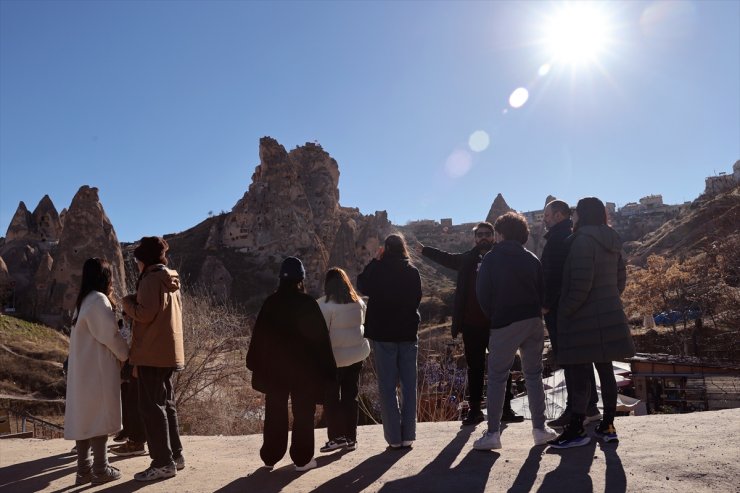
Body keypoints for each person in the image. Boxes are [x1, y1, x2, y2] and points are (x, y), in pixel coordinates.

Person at [547, 197, 636, 449]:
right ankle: (607, 425)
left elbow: (580, 284)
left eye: (575, 213)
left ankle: (576, 429)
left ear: (582, 215)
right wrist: (606, 299)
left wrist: (565, 310)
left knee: (578, 372)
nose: (572, 217)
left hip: (583, 318)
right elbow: (620, 280)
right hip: (609, 314)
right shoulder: (613, 241)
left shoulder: (582, 241)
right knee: (606, 371)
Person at [418, 222, 523, 426]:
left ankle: (505, 409)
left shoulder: (502, 257)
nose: (483, 237)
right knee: (474, 367)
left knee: (502, 367)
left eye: (487, 234)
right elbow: (446, 258)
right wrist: (425, 250)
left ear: (494, 236)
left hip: (498, 323)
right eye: (480, 234)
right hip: (471, 324)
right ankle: (475, 410)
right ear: (474, 238)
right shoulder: (467, 259)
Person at [473, 212, 558, 450]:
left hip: (504, 322)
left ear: (499, 234)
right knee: (533, 375)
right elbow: (543, 293)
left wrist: (495, 315)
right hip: (532, 322)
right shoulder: (532, 259)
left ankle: (493, 433)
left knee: (498, 377)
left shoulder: (491, 259)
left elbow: (482, 294)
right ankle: (540, 429)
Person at [246, 257, 337, 472]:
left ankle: (270, 456)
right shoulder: (307, 304)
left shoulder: (271, 302)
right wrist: (328, 370)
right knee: (303, 413)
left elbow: (259, 337)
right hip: (303, 373)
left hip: (275, 371)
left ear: (281, 278)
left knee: (275, 411)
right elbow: (321, 341)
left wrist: (254, 362)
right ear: (301, 279)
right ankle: (302, 459)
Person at [122, 236, 185, 481]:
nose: (136, 265)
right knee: (167, 405)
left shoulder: (150, 280)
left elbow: (144, 314)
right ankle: (175, 456)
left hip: (151, 353)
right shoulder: (170, 279)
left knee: (151, 408)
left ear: (144, 259)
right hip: (169, 352)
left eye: (138, 260)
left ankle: (162, 462)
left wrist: (128, 303)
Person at [64, 258, 129, 485]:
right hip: (97, 371)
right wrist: (126, 354)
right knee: (99, 418)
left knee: (85, 418)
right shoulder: (98, 301)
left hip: (83, 370)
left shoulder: (83, 302)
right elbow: (110, 336)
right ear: (104, 277)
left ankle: (83, 471)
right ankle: (101, 469)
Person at [357, 234, 422, 449]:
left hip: (384, 335)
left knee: (386, 387)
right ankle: (409, 435)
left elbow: (362, 286)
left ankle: (394, 438)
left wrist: (375, 260)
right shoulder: (412, 272)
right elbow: (416, 300)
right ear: (404, 248)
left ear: (385, 249)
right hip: (407, 334)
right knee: (409, 385)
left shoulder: (379, 270)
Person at [541, 200, 601, 429]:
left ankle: (577, 409)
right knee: (580, 359)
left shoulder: (558, 239)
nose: (544, 218)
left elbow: (554, 275)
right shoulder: (566, 236)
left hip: (560, 309)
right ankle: (590, 406)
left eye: (547, 214)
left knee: (570, 360)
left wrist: (546, 304)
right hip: (571, 307)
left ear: (558, 215)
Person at [317, 267, 371, 453]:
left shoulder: (323, 305)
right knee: (351, 396)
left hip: (334, 360)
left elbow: (320, 335)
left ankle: (337, 437)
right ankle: (351, 438)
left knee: (331, 398)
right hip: (356, 357)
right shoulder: (359, 303)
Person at [110, 318, 148, 457]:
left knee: (135, 403)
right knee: (133, 403)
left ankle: (137, 442)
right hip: (140, 361)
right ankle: (137, 439)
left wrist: (134, 363)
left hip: (140, 362)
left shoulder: (142, 320)